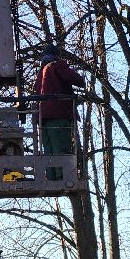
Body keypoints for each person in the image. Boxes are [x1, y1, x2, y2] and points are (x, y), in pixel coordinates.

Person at [34, 43, 85, 181]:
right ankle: (64, 176)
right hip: (59, 114)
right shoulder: (56, 65)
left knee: (49, 148)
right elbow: (77, 80)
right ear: (56, 56)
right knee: (61, 146)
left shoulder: (40, 73)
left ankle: (52, 177)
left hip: (42, 117)